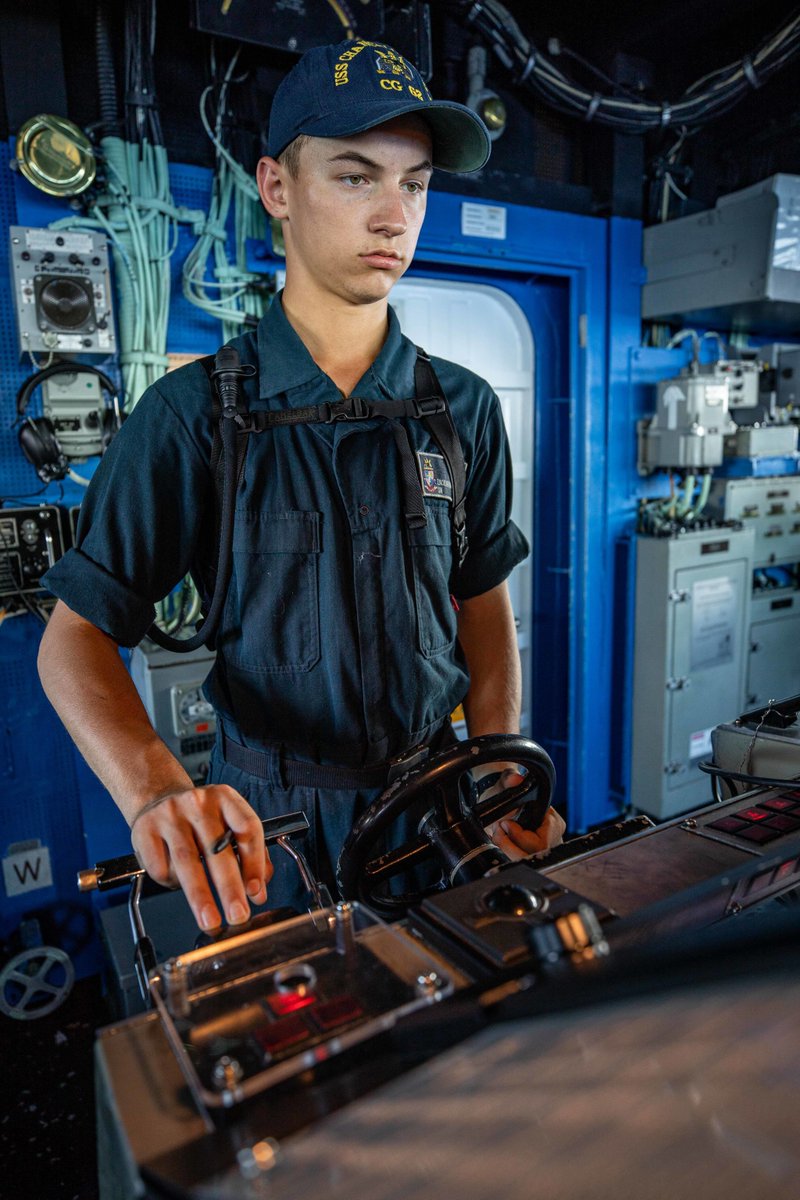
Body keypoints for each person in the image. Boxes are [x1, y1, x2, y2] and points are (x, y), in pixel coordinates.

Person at [38, 38, 565, 932]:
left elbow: (481, 602)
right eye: (356, 177)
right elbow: (75, 642)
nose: (395, 217)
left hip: (436, 808)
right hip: (270, 834)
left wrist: (497, 762)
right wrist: (156, 788)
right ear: (277, 188)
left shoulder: (463, 409)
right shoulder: (192, 416)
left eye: (415, 183)